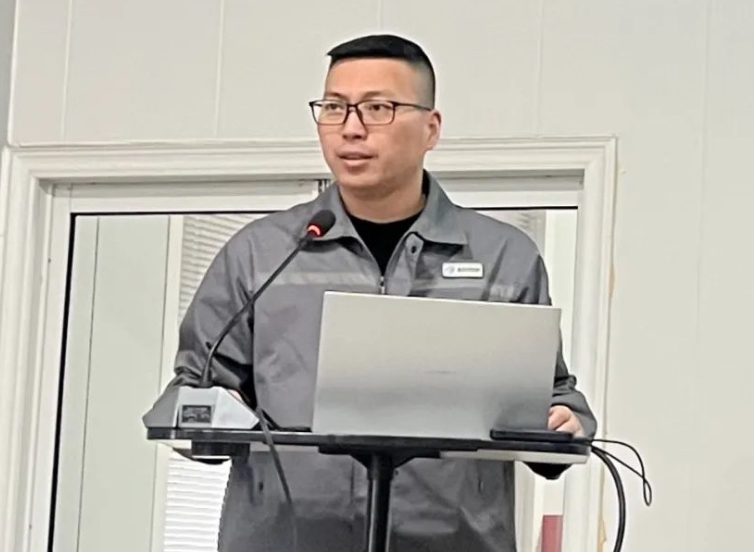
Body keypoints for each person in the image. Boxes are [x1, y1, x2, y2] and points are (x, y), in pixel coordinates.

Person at [169, 33, 596, 552]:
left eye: (378, 108)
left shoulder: (504, 256)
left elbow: (549, 396)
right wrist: (215, 411)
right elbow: (194, 392)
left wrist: (564, 420)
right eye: (334, 107)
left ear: (431, 128)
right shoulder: (261, 253)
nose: (351, 128)